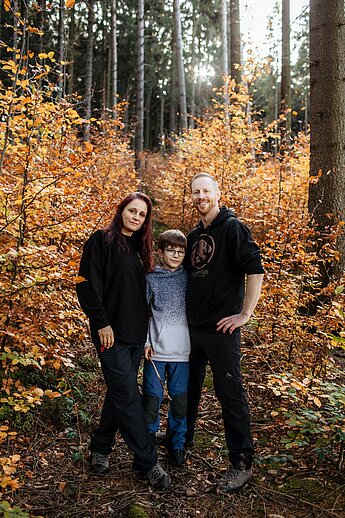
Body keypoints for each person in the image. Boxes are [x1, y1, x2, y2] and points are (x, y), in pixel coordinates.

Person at [76, 192, 170, 490]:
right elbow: (86, 285)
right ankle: (148, 462)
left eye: (142, 215)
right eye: (132, 211)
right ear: (122, 211)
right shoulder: (101, 241)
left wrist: (146, 338)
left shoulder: (140, 251)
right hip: (110, 335)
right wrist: (100, 321)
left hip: (134, 336)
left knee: (119, 394)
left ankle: (101, 448)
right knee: (130, 398)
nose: (136, 217)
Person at [184, 173, 264, 493]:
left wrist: (245, 314)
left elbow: (255, 269)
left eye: (206, 191)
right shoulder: (194, 235)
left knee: (229, 393)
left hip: (221, 329)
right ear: (191, 196)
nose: (201, 196)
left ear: (218, 193)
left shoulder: (232, 228)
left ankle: (241, 463)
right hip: (193, 328)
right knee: (186, 388)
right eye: (196, 192)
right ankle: (181, 439)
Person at [142, 230, 190, 468]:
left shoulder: (188, 278)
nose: (176, 255)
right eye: (171, 250)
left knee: (180, 401)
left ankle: (177, 444)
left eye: (181, 251)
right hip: (156, 352)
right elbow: (142, 313)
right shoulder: (151, 278)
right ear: (160, 252)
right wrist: (145, 342)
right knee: (152, 400)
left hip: (183, 353)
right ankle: (148, 442)